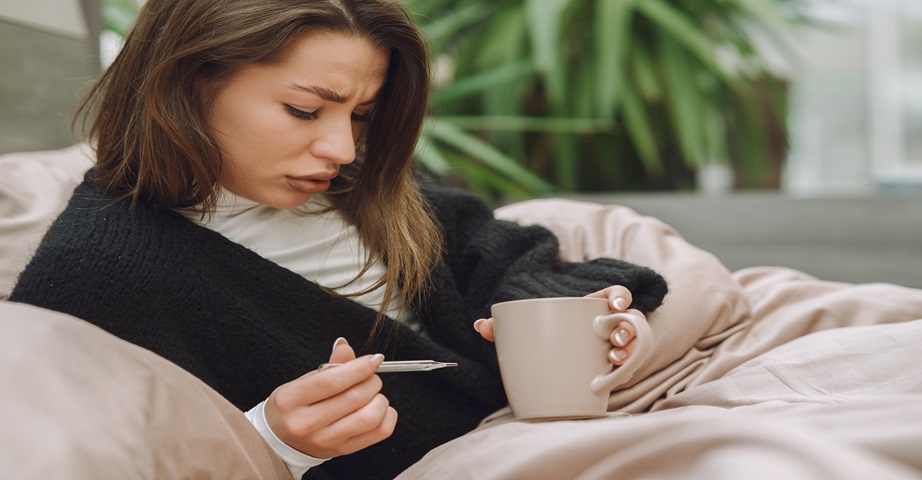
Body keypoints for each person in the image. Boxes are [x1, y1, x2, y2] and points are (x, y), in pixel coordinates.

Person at [10, 0, 668, 478]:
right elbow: (102, 455)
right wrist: (272, 440)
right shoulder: (95, 272)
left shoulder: (367, 188)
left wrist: (572, 314)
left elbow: (507, 253)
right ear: (189, 82)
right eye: (304, 109)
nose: (340, 147)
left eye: (361, 115)